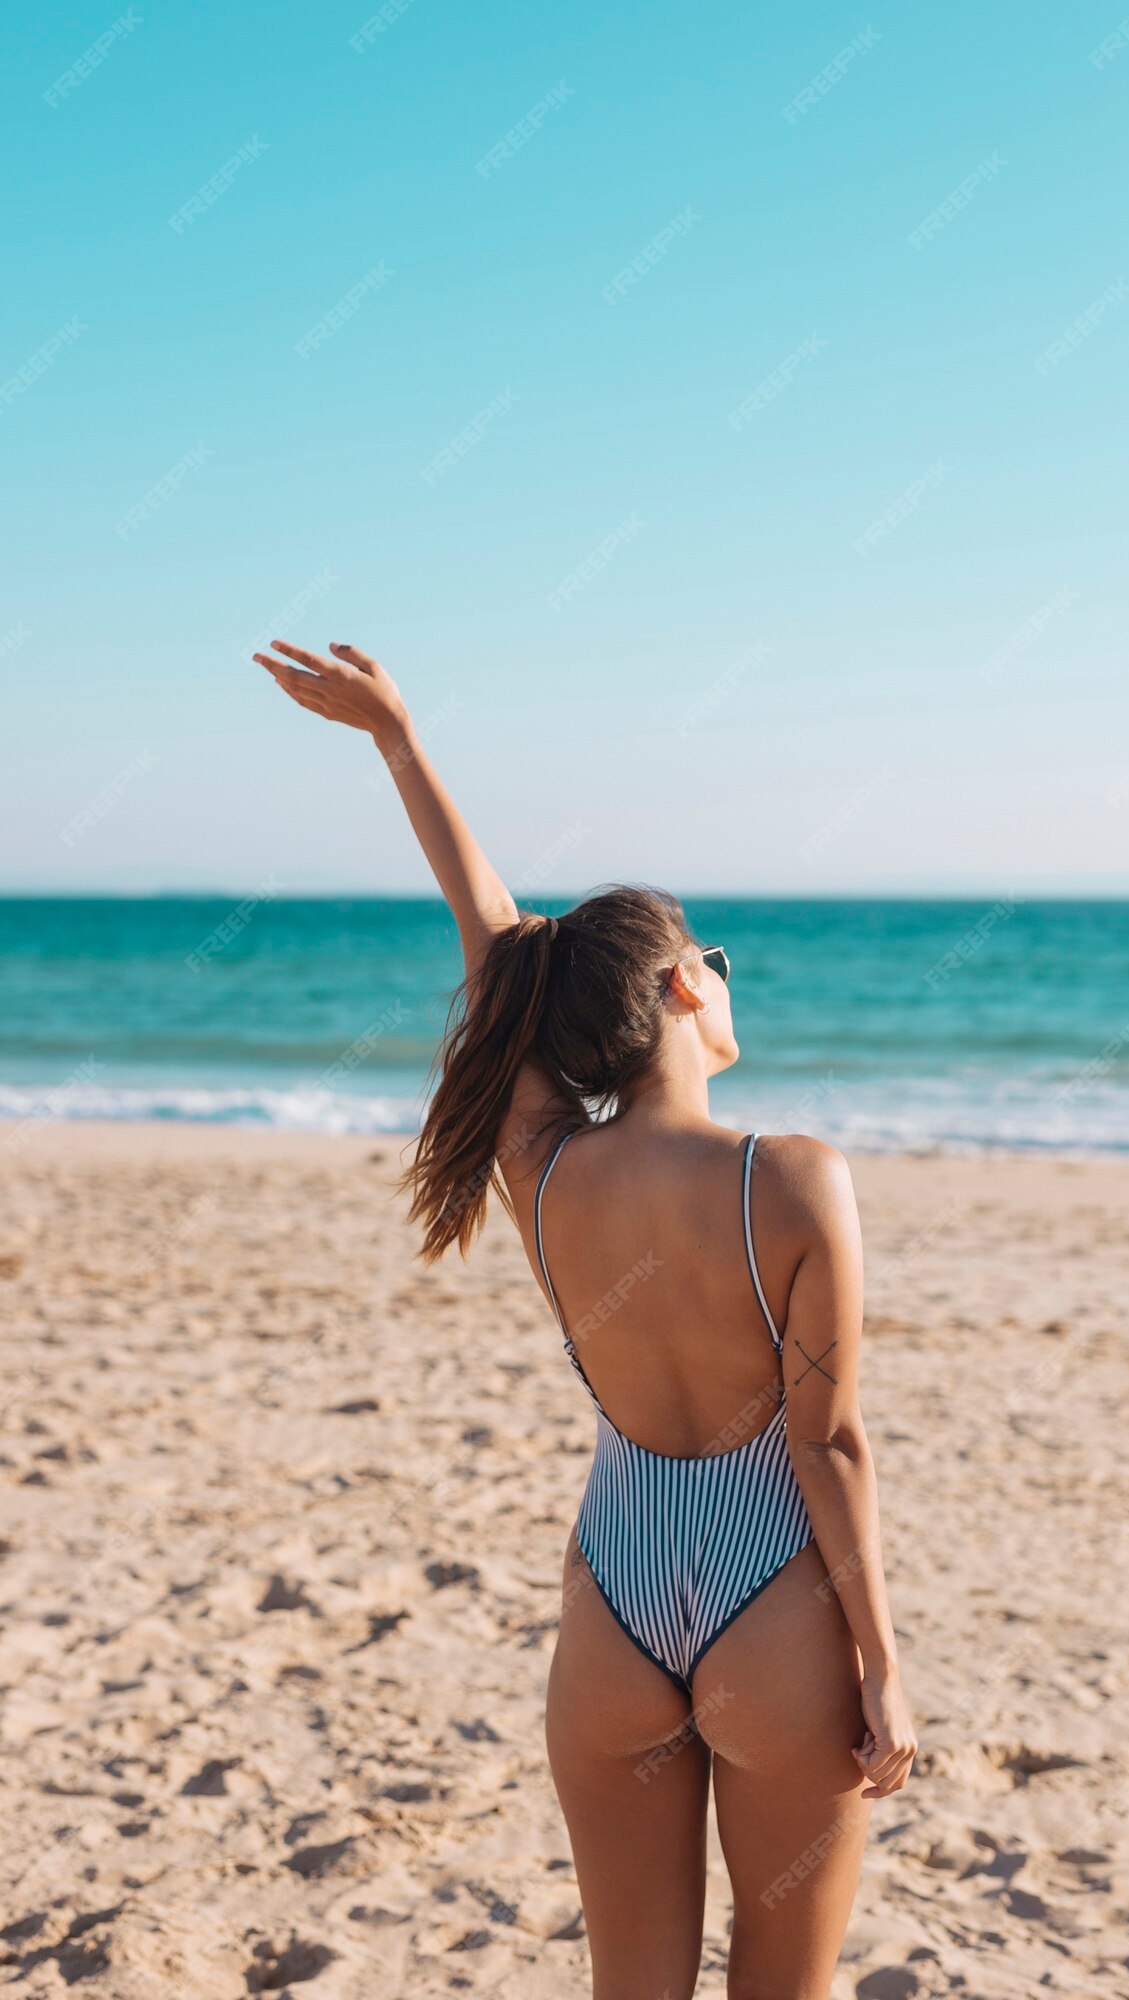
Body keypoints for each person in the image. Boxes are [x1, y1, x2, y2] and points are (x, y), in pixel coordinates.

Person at [254, 637, 917, 1999]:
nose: (727, 978)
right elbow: (829, 1445)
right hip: (768, 1605)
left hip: (613, 1602)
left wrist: (399, 742)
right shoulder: (790, 1180)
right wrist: (884, 1669)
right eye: (715, 959)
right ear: (681, 984)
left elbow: (499, 949)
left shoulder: (542, 1168)